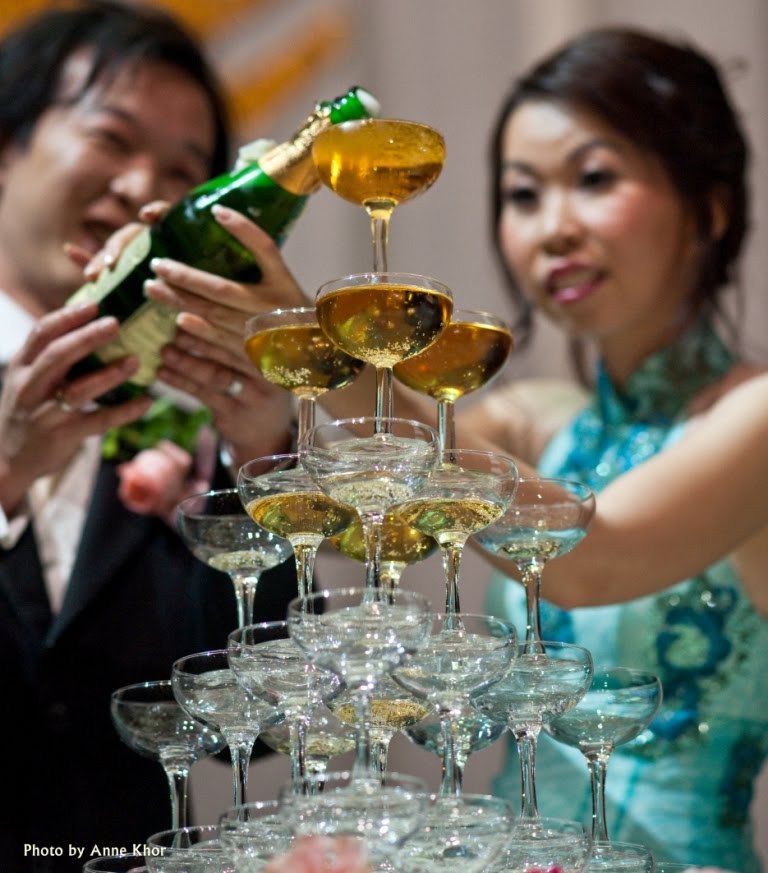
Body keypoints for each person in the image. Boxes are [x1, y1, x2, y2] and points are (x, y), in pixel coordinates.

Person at [140, 24, 768, 873]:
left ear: (712, 207)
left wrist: (325, 347)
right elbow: (370, 509)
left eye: (593, 178)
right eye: (522, 194)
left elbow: (589, 554)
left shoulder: (758, 416)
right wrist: (262, 415)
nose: (553, 228)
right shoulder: (537, 423)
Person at [0, 3, 299, 870]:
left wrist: (262, 460)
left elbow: (257, 728)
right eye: (111, 138)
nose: (142, 190)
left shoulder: (191, 413)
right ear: (7, 146)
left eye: (183, 172)